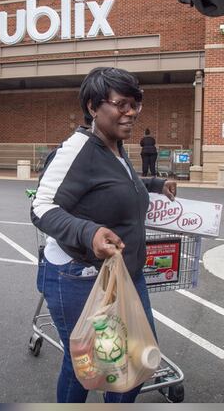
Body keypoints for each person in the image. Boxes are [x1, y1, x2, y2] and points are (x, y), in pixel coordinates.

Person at [30, 67, 177, 403]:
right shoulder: (76, 149)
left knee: (138, 358)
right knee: (85, 365)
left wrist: (154, 184)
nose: (131, 113)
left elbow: (115, 184)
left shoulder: (116, 146)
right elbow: (41, 207)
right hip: (81, 277)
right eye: (121, 104)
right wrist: (89, 232)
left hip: (124, 274)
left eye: (135, 105)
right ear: (94, 107)